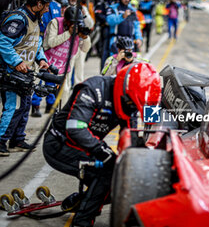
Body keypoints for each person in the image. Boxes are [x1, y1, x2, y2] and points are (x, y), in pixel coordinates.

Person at [42, 62, 161, 227]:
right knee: (107, 171)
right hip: (59, 144)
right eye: (132, 104)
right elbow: (75, 129)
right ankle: (82, 222)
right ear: (124, 91)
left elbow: (132, 139)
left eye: (136, 105)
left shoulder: (131, 101)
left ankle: (81, 201)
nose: (133, 108)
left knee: (123, 179)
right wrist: (103, 150)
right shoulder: (94, 89)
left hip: (86, 147)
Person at [0, 0, 51, 156]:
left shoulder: (35, 18)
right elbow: (3, 41)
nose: (48, 9)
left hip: (26, 73)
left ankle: (17, 139)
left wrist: (41, 58)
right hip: (12, 72)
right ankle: (1, 141)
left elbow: (35, 42)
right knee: (13, 107)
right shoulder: (18, 19)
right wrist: (16, 62)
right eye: (46, 5)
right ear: (38, 3)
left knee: (24, 105)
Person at [43, 6, 91, 106]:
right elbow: (51, 42)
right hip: (46, 61)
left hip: (64, 63)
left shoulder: (78, 28)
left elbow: (85, 49)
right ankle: (38, 106)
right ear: (66, 20)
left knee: (65, 90)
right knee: (41, 88)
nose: (74, 25)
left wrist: (85, 38)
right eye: (72, 22)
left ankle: (62, 116)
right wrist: (68, 33)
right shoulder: (55, 23)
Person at [31, 0, 61, 117]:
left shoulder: (56, 5)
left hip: (52, 43)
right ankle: (35, 105)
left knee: (51, 76)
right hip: (39, 39)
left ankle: (50, 104)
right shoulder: (38, 2)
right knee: (39, 77)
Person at [67, 0, 94, 90]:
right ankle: (66, 93)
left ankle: (77, 94)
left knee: (79, 71)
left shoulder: (83, 8)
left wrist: (85, 15)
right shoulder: (65, 8)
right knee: (67, 73)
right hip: (68, 44)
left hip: (80, 43)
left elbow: (91, 25)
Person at [95, 0, 119, 70]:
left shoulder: (118, 0)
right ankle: (104, 71)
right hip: (106, 29)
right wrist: (108, 21)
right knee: (105, 51)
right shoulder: (101, 1)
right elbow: (98, 13)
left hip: (117, 28)